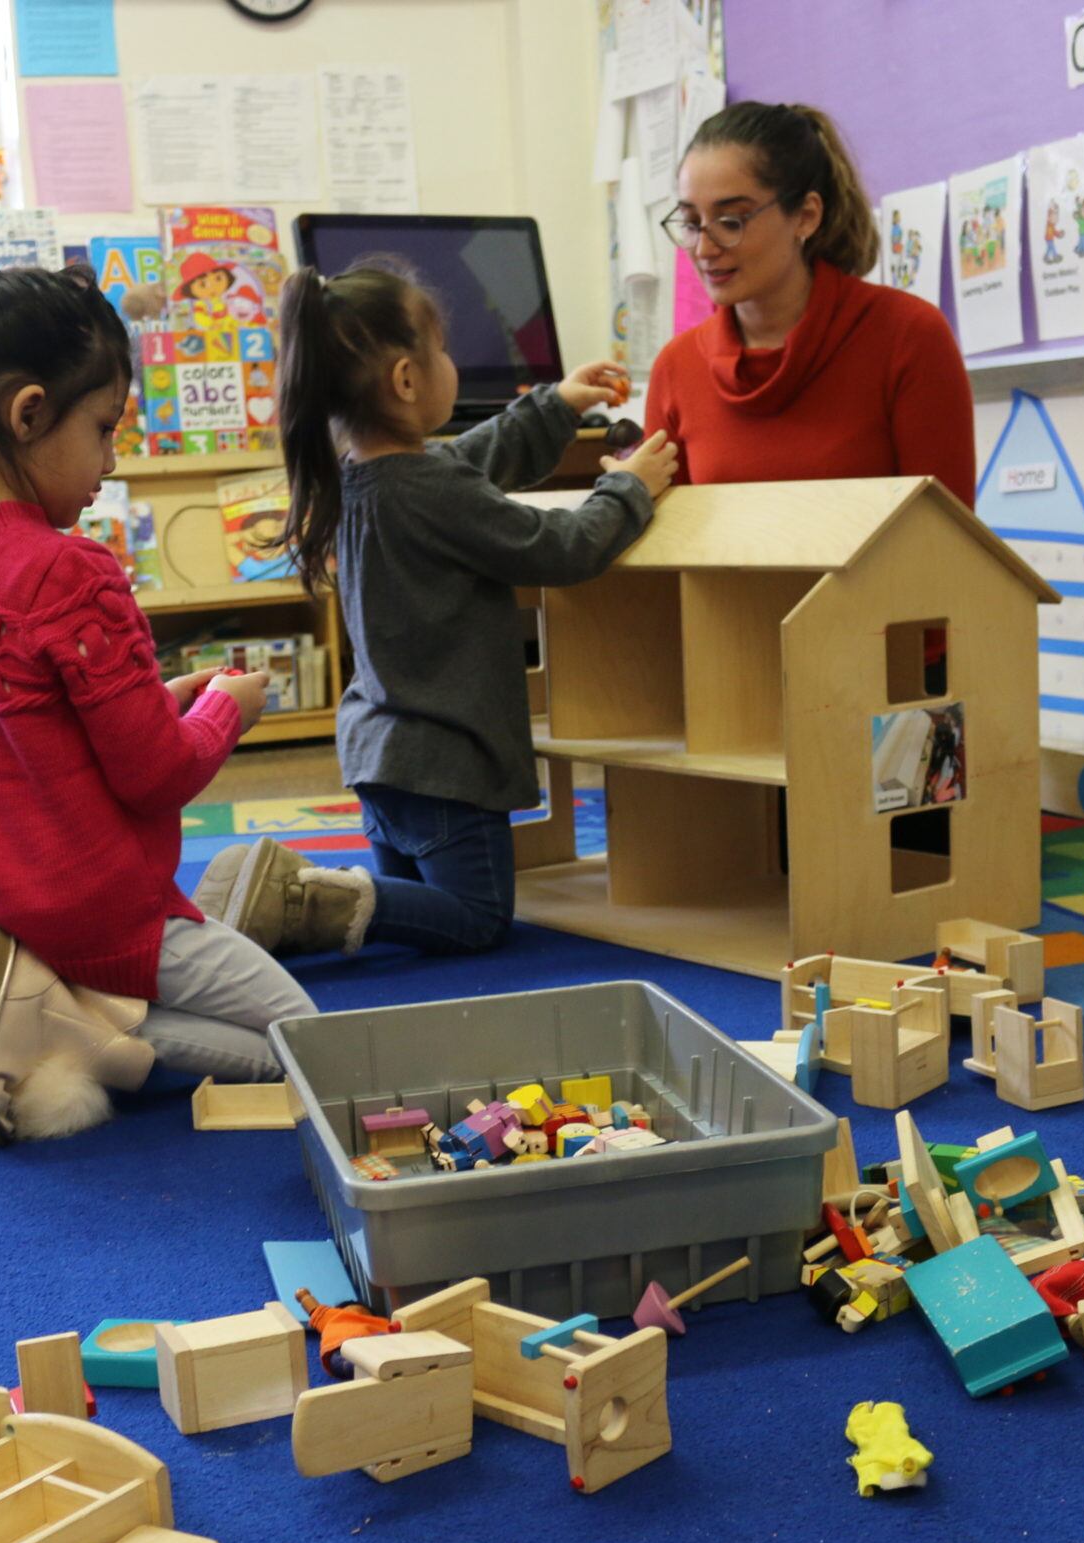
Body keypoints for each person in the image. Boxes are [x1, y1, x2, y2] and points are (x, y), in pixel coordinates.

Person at [0, 229, 313, 1146]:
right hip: (102, 909)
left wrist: (165, 689)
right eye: (101, 431)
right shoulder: (66, 571)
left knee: (218, 996)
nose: (109, 465)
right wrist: (227, 710)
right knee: (304, 1039)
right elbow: (154, 776)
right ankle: (72, 1033)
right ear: (27, 414)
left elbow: (33, 729)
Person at [195, 262, 677, 957]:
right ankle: (310, 898)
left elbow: (469, 465)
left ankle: (332, 899)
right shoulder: (430, 489)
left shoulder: (358, 479)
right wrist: (628, 490)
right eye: (442, 350)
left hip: (380, 758)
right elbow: (559, 547)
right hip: (446, 767)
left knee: (401, 917)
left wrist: (556, 404)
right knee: (477, 918)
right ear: (407, 380)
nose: (450, 362)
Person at [646, 102, 973, 497]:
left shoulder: (908, 337)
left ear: (806, 216)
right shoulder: (676, 368)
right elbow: (668, 548)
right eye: (691, 224)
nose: (703, 249)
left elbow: (943, 543)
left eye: (731, 221)